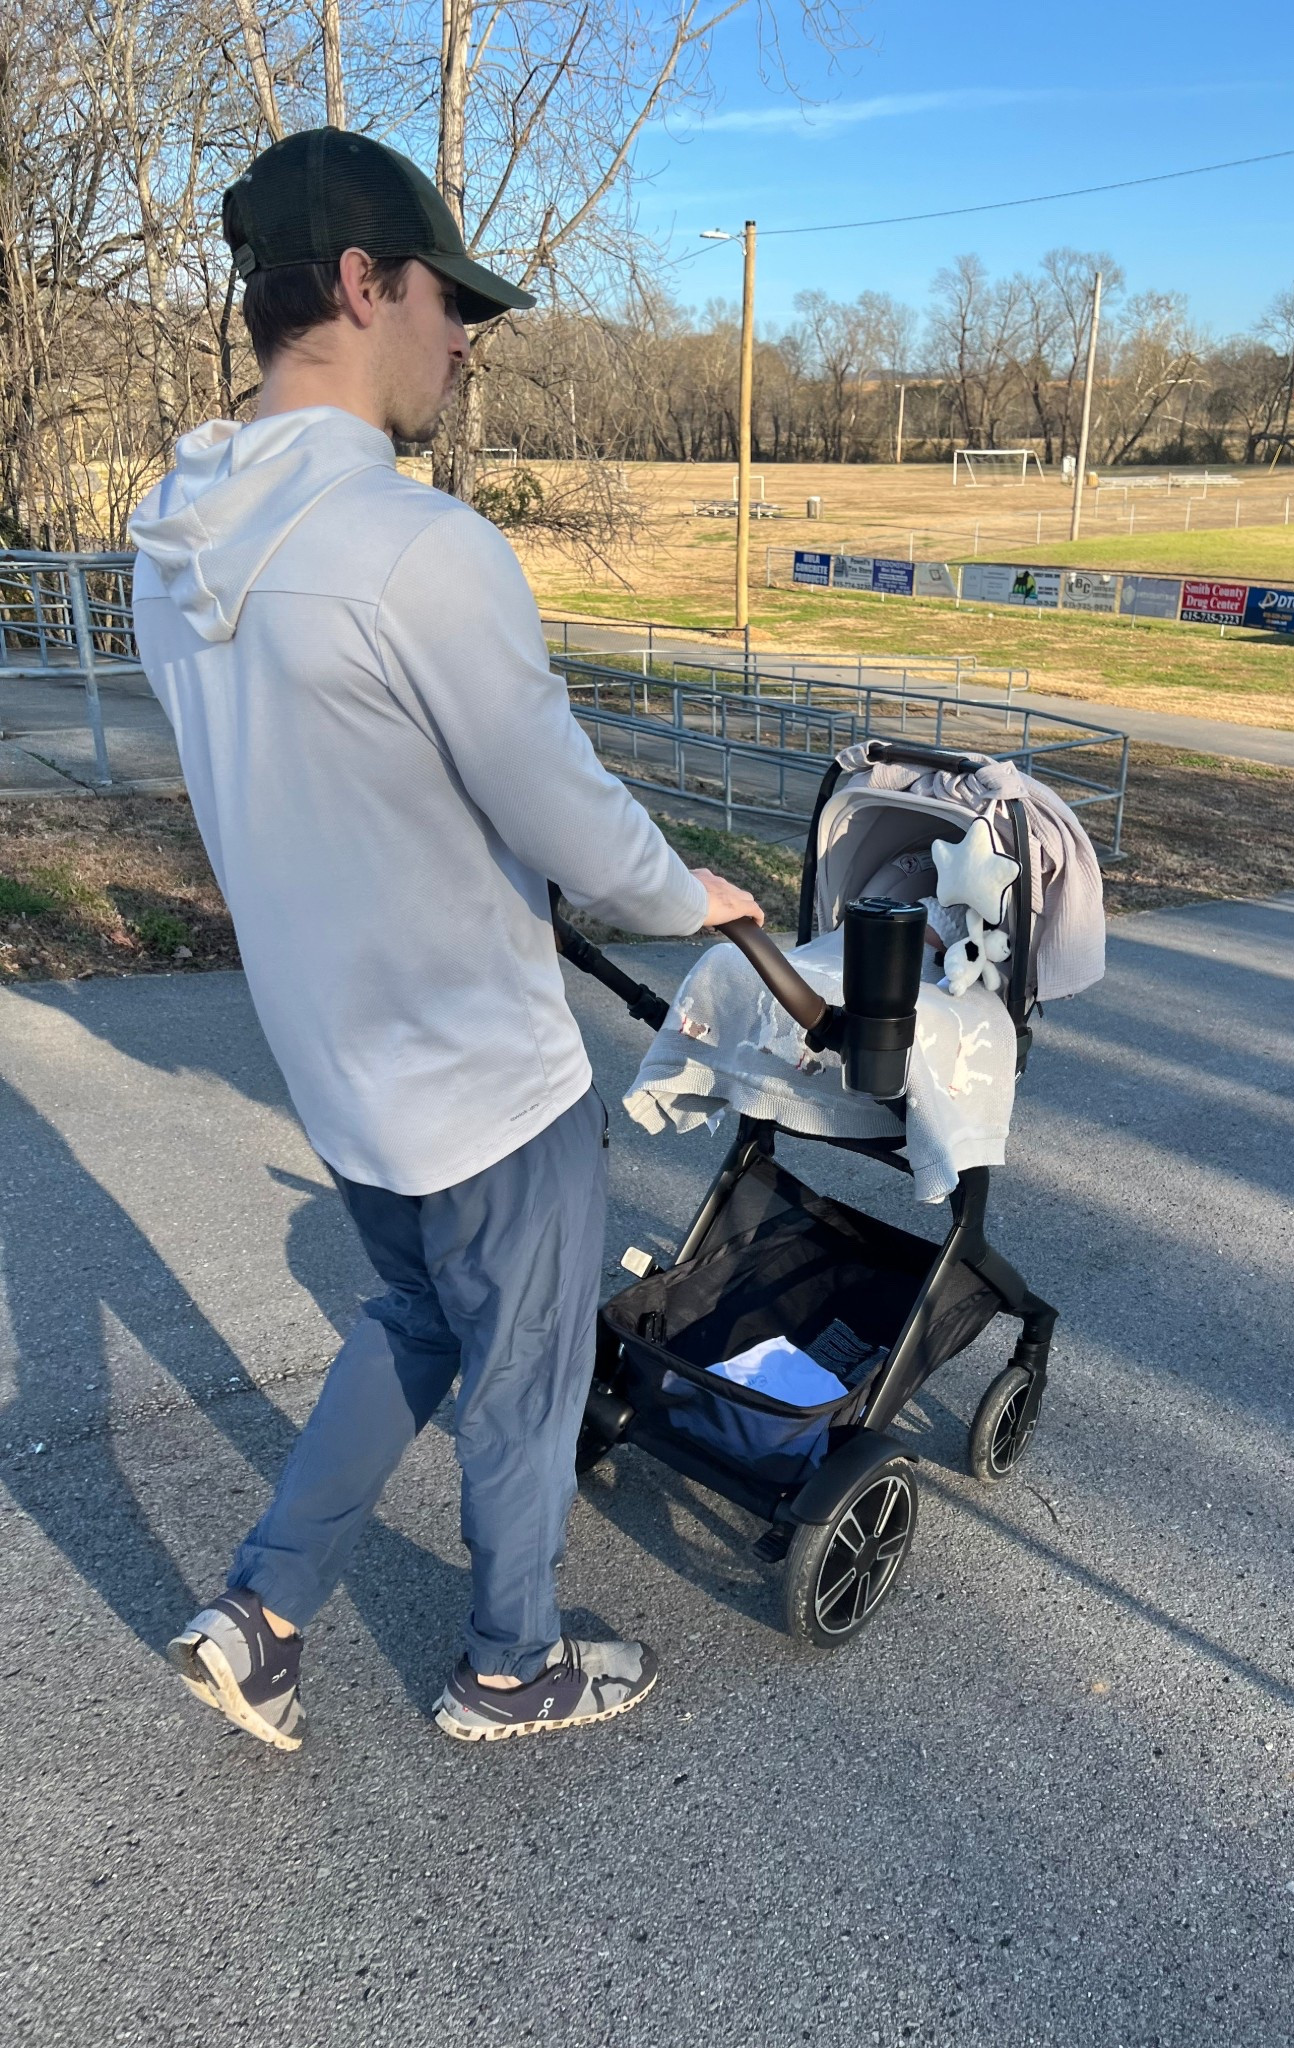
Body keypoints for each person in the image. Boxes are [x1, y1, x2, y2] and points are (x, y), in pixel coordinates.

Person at [128, 127, 763, 1753]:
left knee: (412, 1321)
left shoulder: (175, 539)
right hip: (478, 1065)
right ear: (359, 284)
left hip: (338, 1066)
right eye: (447, 297)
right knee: (527, 1370)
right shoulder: (419, 550)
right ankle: (508, 1665)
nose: (465, 335)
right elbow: (566, 815)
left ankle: (261, 1617)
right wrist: (693, 894)